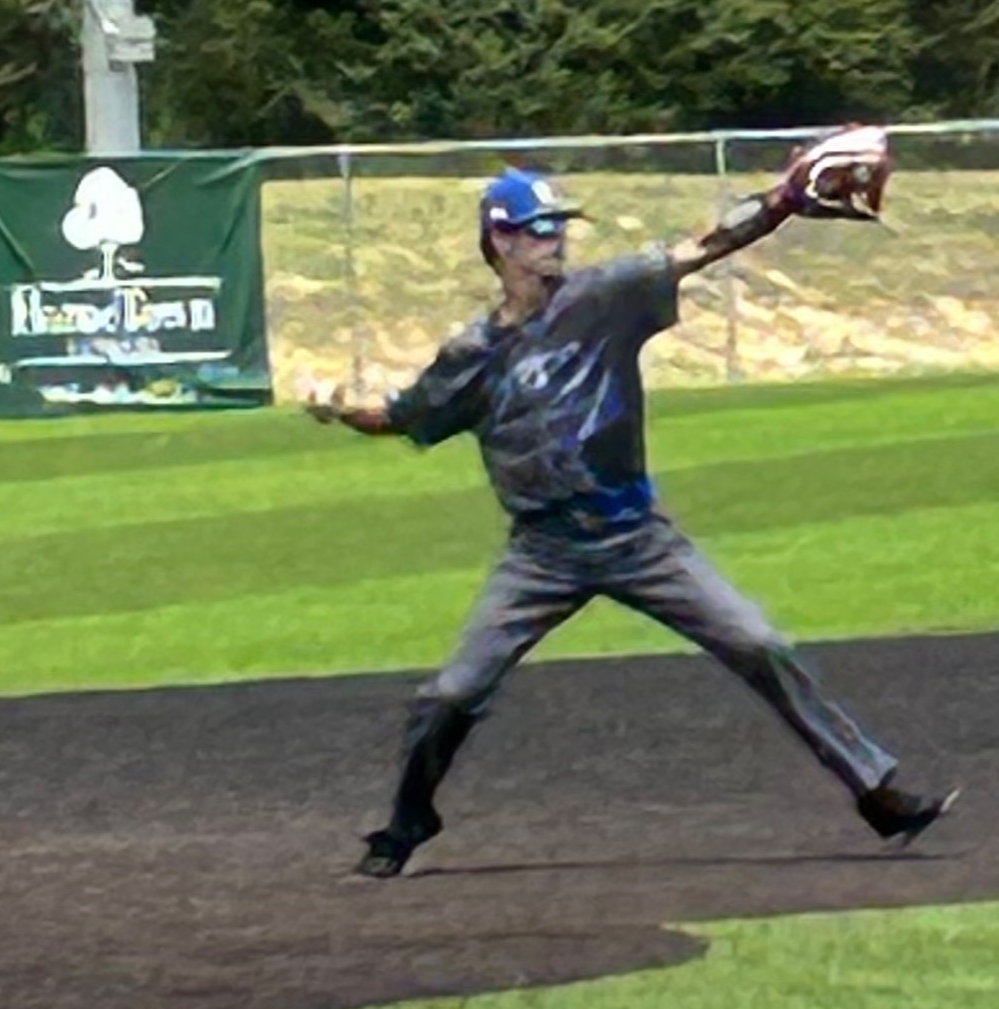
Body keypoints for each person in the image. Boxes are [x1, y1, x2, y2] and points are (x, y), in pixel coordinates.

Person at [305, 142, 957, 876]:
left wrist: (779, 201)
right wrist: (340, 411)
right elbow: (404, 416)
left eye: (559, 225)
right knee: (451, 693)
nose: (555, 239)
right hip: (542, 554)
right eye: (539, 228)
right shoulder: (472, 356)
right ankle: (406, 823)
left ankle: (876, 791)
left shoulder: (604, 298)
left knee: (758, 643)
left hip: (638, 538)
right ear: (500, 240)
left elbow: (701, 246)